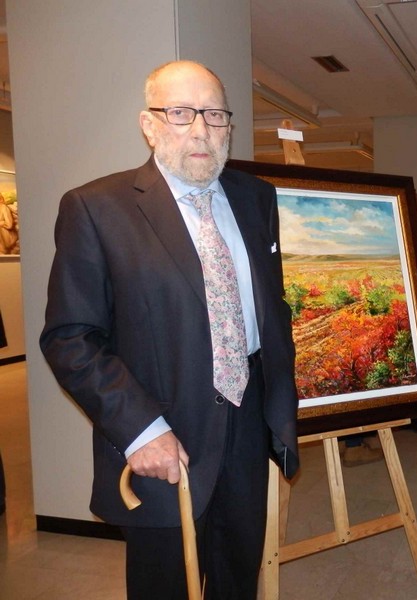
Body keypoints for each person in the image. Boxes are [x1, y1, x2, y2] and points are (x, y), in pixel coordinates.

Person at [40, 60, 299, 599]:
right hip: (164, 439)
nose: (201, 129)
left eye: (214, 114)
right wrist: (140, 429)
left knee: (238, 579)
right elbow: (71, 337)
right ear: (149, 124)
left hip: (248, 428)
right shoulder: (96, 208)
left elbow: (270, 309)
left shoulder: (257, 198)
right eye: (181, 113)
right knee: (164, 587)